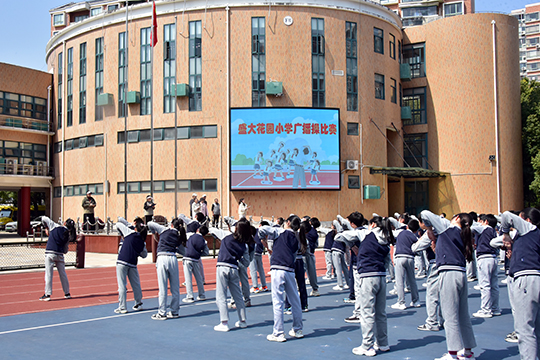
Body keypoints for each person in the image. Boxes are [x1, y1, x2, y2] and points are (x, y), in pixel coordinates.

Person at [420, 210, 476, 360]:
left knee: (449, 315)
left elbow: (424, 213)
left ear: (456, 218)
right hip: (461, 273)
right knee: (463, 314)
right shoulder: (464, 234)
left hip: (448, 273)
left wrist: (430, 229)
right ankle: (468, 351)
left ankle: (452, 354)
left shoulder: (446, 227)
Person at [335, 213, 394, 357]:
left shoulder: (365, 234)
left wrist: (354, 245)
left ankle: (367, 345)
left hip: (368, 276)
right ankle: (383, 343)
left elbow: (339, 237)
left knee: (367, 312)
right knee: (381, 313)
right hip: (381, 276)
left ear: (372, 224)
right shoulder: (385, 238)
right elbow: (387, 261)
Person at [500, 208, 540, 360]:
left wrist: (505, 233)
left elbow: (506, 216)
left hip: (526, 279)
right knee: (536, 328)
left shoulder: (528, 228)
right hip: (536, 276)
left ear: (527, 220)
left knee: (525, 329)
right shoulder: (533, 235)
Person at [259, 215, 306, 342]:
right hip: (290, 270)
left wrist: (263, 239)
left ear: (288, 222)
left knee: (278, 301)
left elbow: (262, 229)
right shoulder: (296, 238)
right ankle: (298, 329)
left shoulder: (279, 231)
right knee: (295, 300)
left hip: (277, 268)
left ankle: (278, 332)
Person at [214, 219, 252, 332]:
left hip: (222, 266)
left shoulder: (226, 236)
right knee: (237, 296)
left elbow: (213, 230)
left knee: (221, 295)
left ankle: (224, 322)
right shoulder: (244, 245)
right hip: (234, 268)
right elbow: (246, 262)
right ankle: (243, 320)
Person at [147, 218, 187, 320]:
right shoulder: (179, 236)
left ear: (172, 225)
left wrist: (154, 234)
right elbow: (184, 252)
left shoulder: (164, 229)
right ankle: (174, 311)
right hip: (173, 258)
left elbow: (149, 223)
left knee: (163, 287)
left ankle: (162, 312)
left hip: (162, 258)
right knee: (175, 288)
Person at [114, 217, 148, 313]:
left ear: (135, 227)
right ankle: (138, 303)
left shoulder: (129, 232)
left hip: (122, 261)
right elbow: (144, 255)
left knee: (122, 285)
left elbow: (118, 224)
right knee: (136, 284)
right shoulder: (142, 241)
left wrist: (129, 226)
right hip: (132, 263)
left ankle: (122, 307)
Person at [39, 216, 76, 301]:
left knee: (48, 274)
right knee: (63, 274)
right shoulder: (67, 235)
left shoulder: (55, 226)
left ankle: (47, 294)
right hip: (60, 255)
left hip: (50, 253)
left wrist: (46, 227)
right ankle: (67, 293)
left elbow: (43, 218)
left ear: (64, 223)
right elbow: (65, 250)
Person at [471, 214, 501, 318]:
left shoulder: (483, 228)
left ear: (486, 221)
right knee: (494, 285)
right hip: (493, 257)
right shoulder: (493, 231)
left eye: (481, 221)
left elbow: (471, 228)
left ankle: (486, 309)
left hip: (484, 258)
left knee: (485, 285)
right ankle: (495, 308)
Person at [390, 219, 421, 310]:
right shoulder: (414, 236)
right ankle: (416, 301)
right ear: (416, 230)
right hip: (410, 258)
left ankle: (401, 302)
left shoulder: (401, 232)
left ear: (407, 226)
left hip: (400, 257)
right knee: (412, 280)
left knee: (400, 280)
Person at [182, 225, 209, 303]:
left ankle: (190, 296)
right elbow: (206, 252)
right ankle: (202, 295)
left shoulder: (191, 236)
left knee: (188, 278)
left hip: (187, 258)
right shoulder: (203, 241)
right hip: (196, 259)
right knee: (199, 278)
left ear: (198, 230)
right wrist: (199, 254)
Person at [304, 217, 320, 296]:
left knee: (299, 273)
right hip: (311, 253)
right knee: (312, 272)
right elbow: (317, 244)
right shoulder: (315, 232)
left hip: (302, 255)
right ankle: (315, 289)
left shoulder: (301, 234)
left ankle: (299, 289)